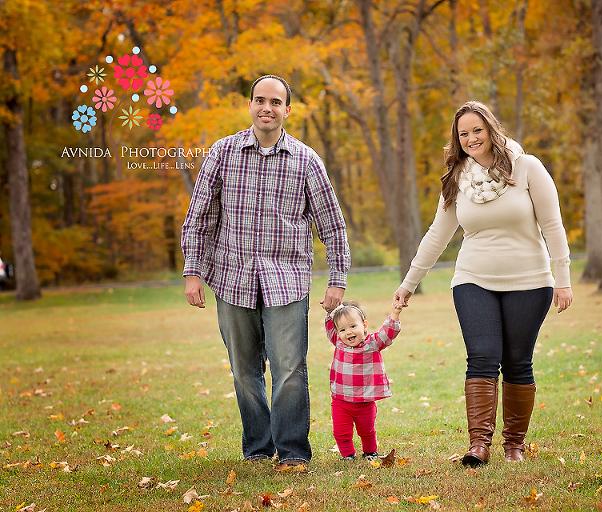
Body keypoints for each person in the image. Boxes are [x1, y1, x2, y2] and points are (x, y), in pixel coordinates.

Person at [181, 74, 351, 471]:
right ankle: (258, 448)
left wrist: (337, 278)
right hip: (232, 278)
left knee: (290, 370)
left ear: (287, 110)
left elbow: (332, 225)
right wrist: (194, 272)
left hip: (286, 281)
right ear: (250, 105)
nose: (267, 108)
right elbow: (199, 218)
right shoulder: (222, 153)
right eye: (260, 100)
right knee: (244, 370)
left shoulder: (307, 161)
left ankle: (292, 452)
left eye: (275, 102)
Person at [393, 101, 572, 467]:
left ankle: (514, 446)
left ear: (491, 129)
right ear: (457, 140)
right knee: (482, 357)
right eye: (463, 133)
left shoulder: (527, 168)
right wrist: (409, 282)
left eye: (477, 130)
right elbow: (437, 235)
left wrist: (563, 279)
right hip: (473, 279)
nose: (471, 138)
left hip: (530, 280)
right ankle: (479, 445)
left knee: (517, 361)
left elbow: (552, 225)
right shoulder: (459, 178)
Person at [325, 300, 401, 461]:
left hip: (365, 400)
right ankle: (347, 455)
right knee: (340, 432)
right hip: (341, 400)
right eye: (343, 329)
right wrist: (330, 310)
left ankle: (370, 452)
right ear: (338, 333)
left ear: (364, 325)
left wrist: (395, 313)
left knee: (367, 430)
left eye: (353, 326)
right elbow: (330, 326)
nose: (348, 333)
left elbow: (388, 333)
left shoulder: (372, 344)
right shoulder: (339, 343)